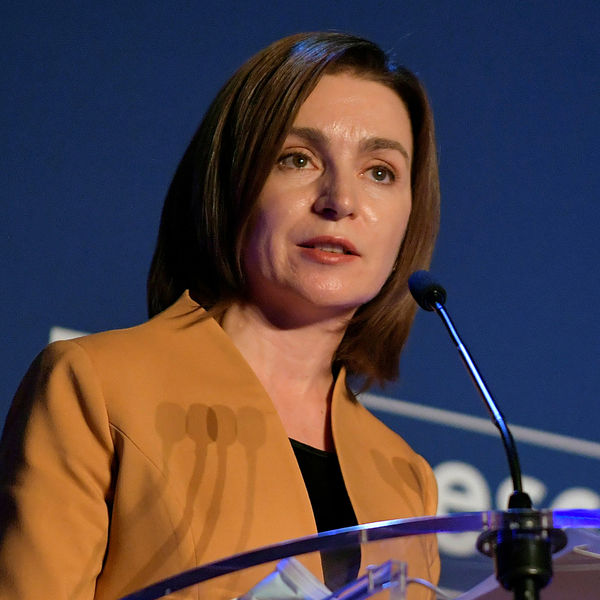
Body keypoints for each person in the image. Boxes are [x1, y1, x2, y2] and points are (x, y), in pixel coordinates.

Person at [0, 32, 440, 600]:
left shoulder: (407, 478)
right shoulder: (96, 385)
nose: (340, 200)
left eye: (380, 172)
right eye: (297, 159)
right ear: (233, 184)